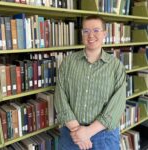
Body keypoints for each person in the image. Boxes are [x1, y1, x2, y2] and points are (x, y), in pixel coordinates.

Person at [54, 15, 126, 150]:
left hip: (104, 137)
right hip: (71, 135)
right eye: (86, 31)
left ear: (104, 33)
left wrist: (88, 132)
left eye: (96, 30)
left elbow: (117, 105)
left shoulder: (116, 67)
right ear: (82, 34)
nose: (91, 35)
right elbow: (60, 96)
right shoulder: (68, 62)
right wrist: (77, 131)